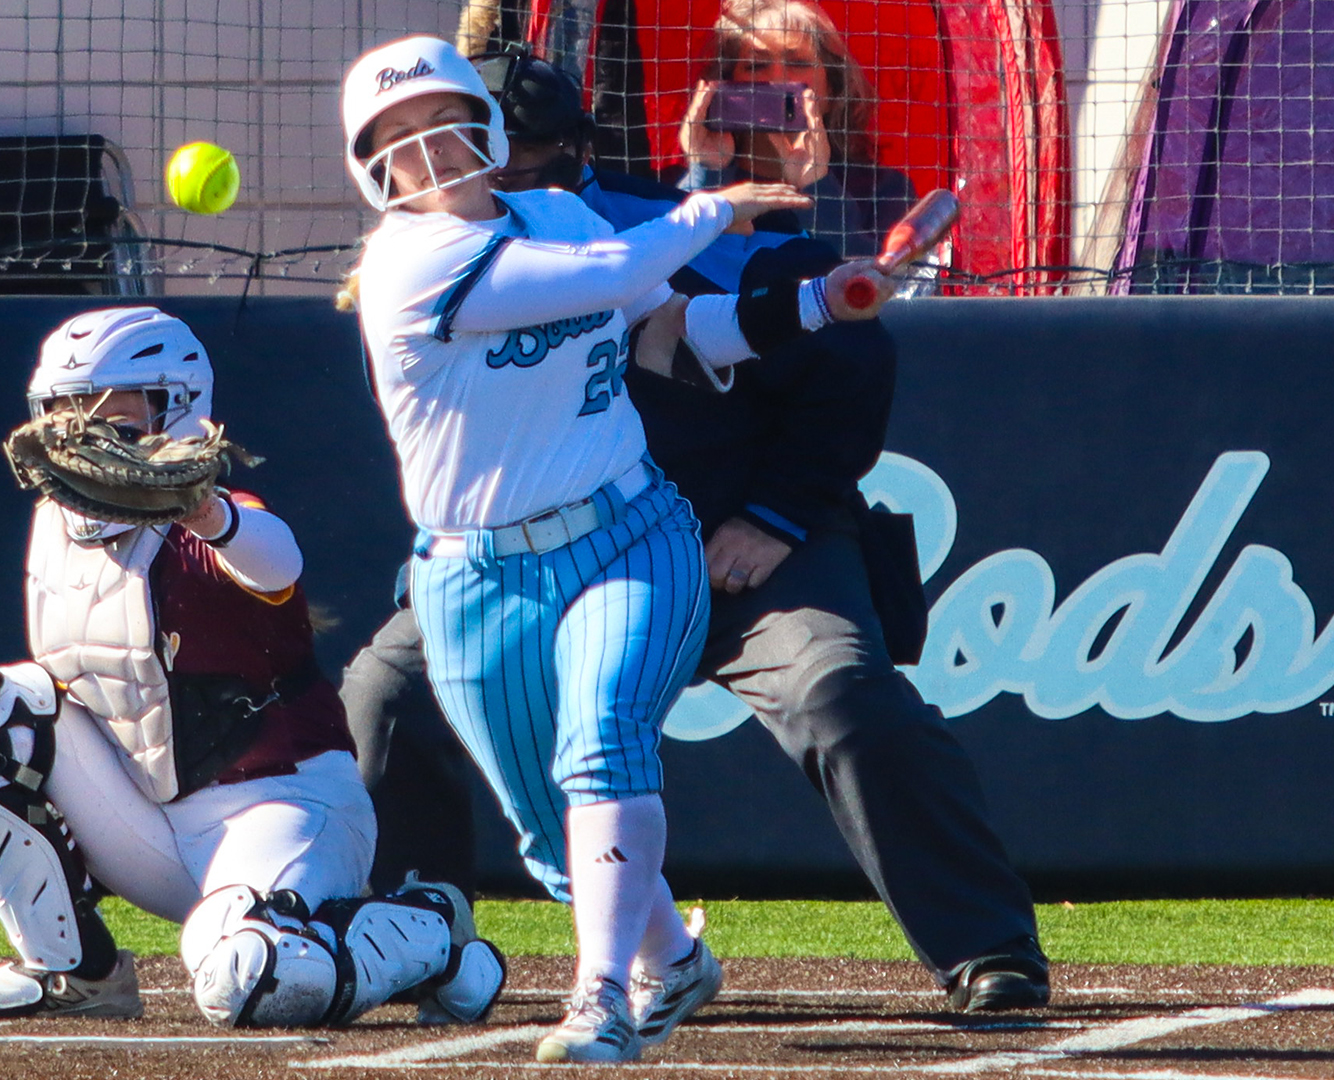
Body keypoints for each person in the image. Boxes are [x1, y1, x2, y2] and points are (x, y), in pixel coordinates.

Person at [341, 50, 1050, 1020]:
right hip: (530, 566)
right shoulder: (443, 253)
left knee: (842, 691)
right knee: (387, 684)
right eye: (423, 146)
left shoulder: (610, 225)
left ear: (574, 149)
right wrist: (705, 197)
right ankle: (423, 939)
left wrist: (774, 516)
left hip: (738, 548)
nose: (483, 171)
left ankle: (987, 948)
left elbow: (826, 357)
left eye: (523, 145)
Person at [0, 306, 505, 1029]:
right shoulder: (52, 524)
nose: (80, 434)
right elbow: (70, 700)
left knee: (248, 979)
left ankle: (426, 937)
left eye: (106, 414)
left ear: (174, 406)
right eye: (63, 413)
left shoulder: (220, 518)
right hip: (147, 820)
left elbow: (277, 561)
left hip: (281, 811)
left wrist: (204, 512)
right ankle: (76, 973)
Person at [674, 0, 915, 259]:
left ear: (832, 88)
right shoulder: (671, 184)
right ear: (726, 85)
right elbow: (667, 269)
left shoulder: (883, 190)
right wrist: (707, 172)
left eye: (798, 63)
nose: (778, 79)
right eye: (756, 66)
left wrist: (817, 186)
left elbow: (877, 281)